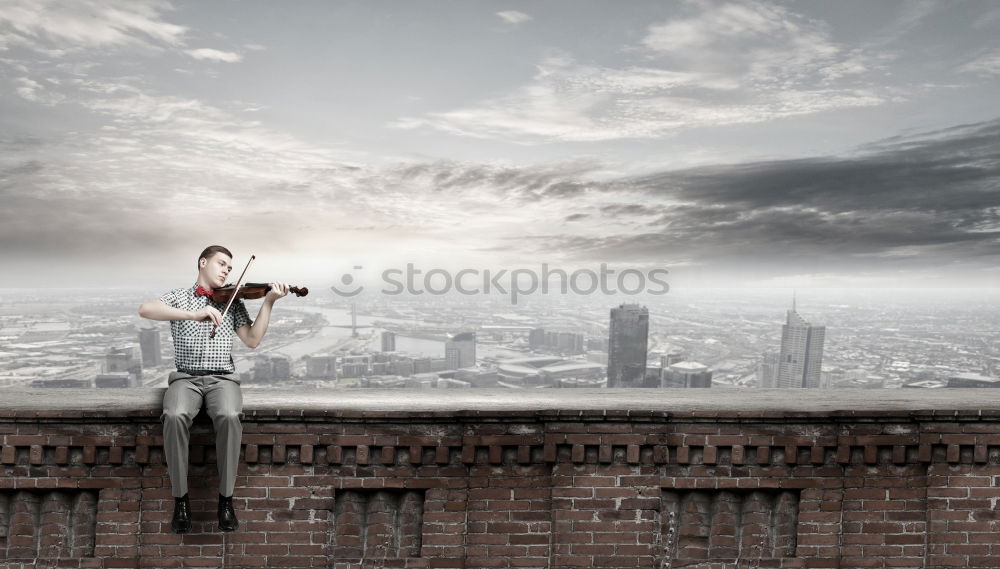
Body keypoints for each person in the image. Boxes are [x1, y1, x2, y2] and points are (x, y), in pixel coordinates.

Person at [139, 245, 289, 534]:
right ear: (202, 262)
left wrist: (269, 302)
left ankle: (226, 499)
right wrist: (193, 315)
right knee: (174, 415)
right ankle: (180, 499)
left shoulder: (232, 301)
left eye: (230, 268)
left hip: (223, 379)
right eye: (222, 264)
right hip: (186, 378)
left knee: (230, 416)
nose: (226, 271)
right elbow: (145, 309)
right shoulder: (179, 297)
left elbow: (252, 340)